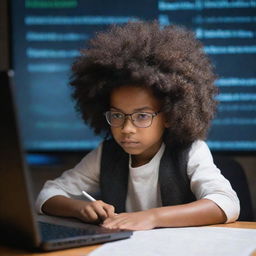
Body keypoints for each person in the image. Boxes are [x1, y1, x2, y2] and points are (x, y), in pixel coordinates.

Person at [35, 21, 240, 230]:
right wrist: (79, 209)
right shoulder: (106, 154)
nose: (126, 128)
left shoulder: (190, 152)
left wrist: (152, 217)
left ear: (169, 115)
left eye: (142, 116)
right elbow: (46, 195)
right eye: (117, 115)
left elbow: (227, 203)